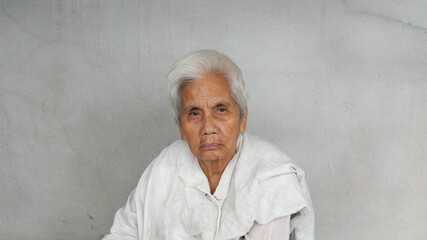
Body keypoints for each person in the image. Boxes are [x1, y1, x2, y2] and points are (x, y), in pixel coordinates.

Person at [102, 50, 314, 240]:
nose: (208, 127)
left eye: (221, 109)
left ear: (243, 118)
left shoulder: (272, 178)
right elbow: (123, 233)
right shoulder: (164, 167)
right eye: (194, 113)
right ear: (180, 126)